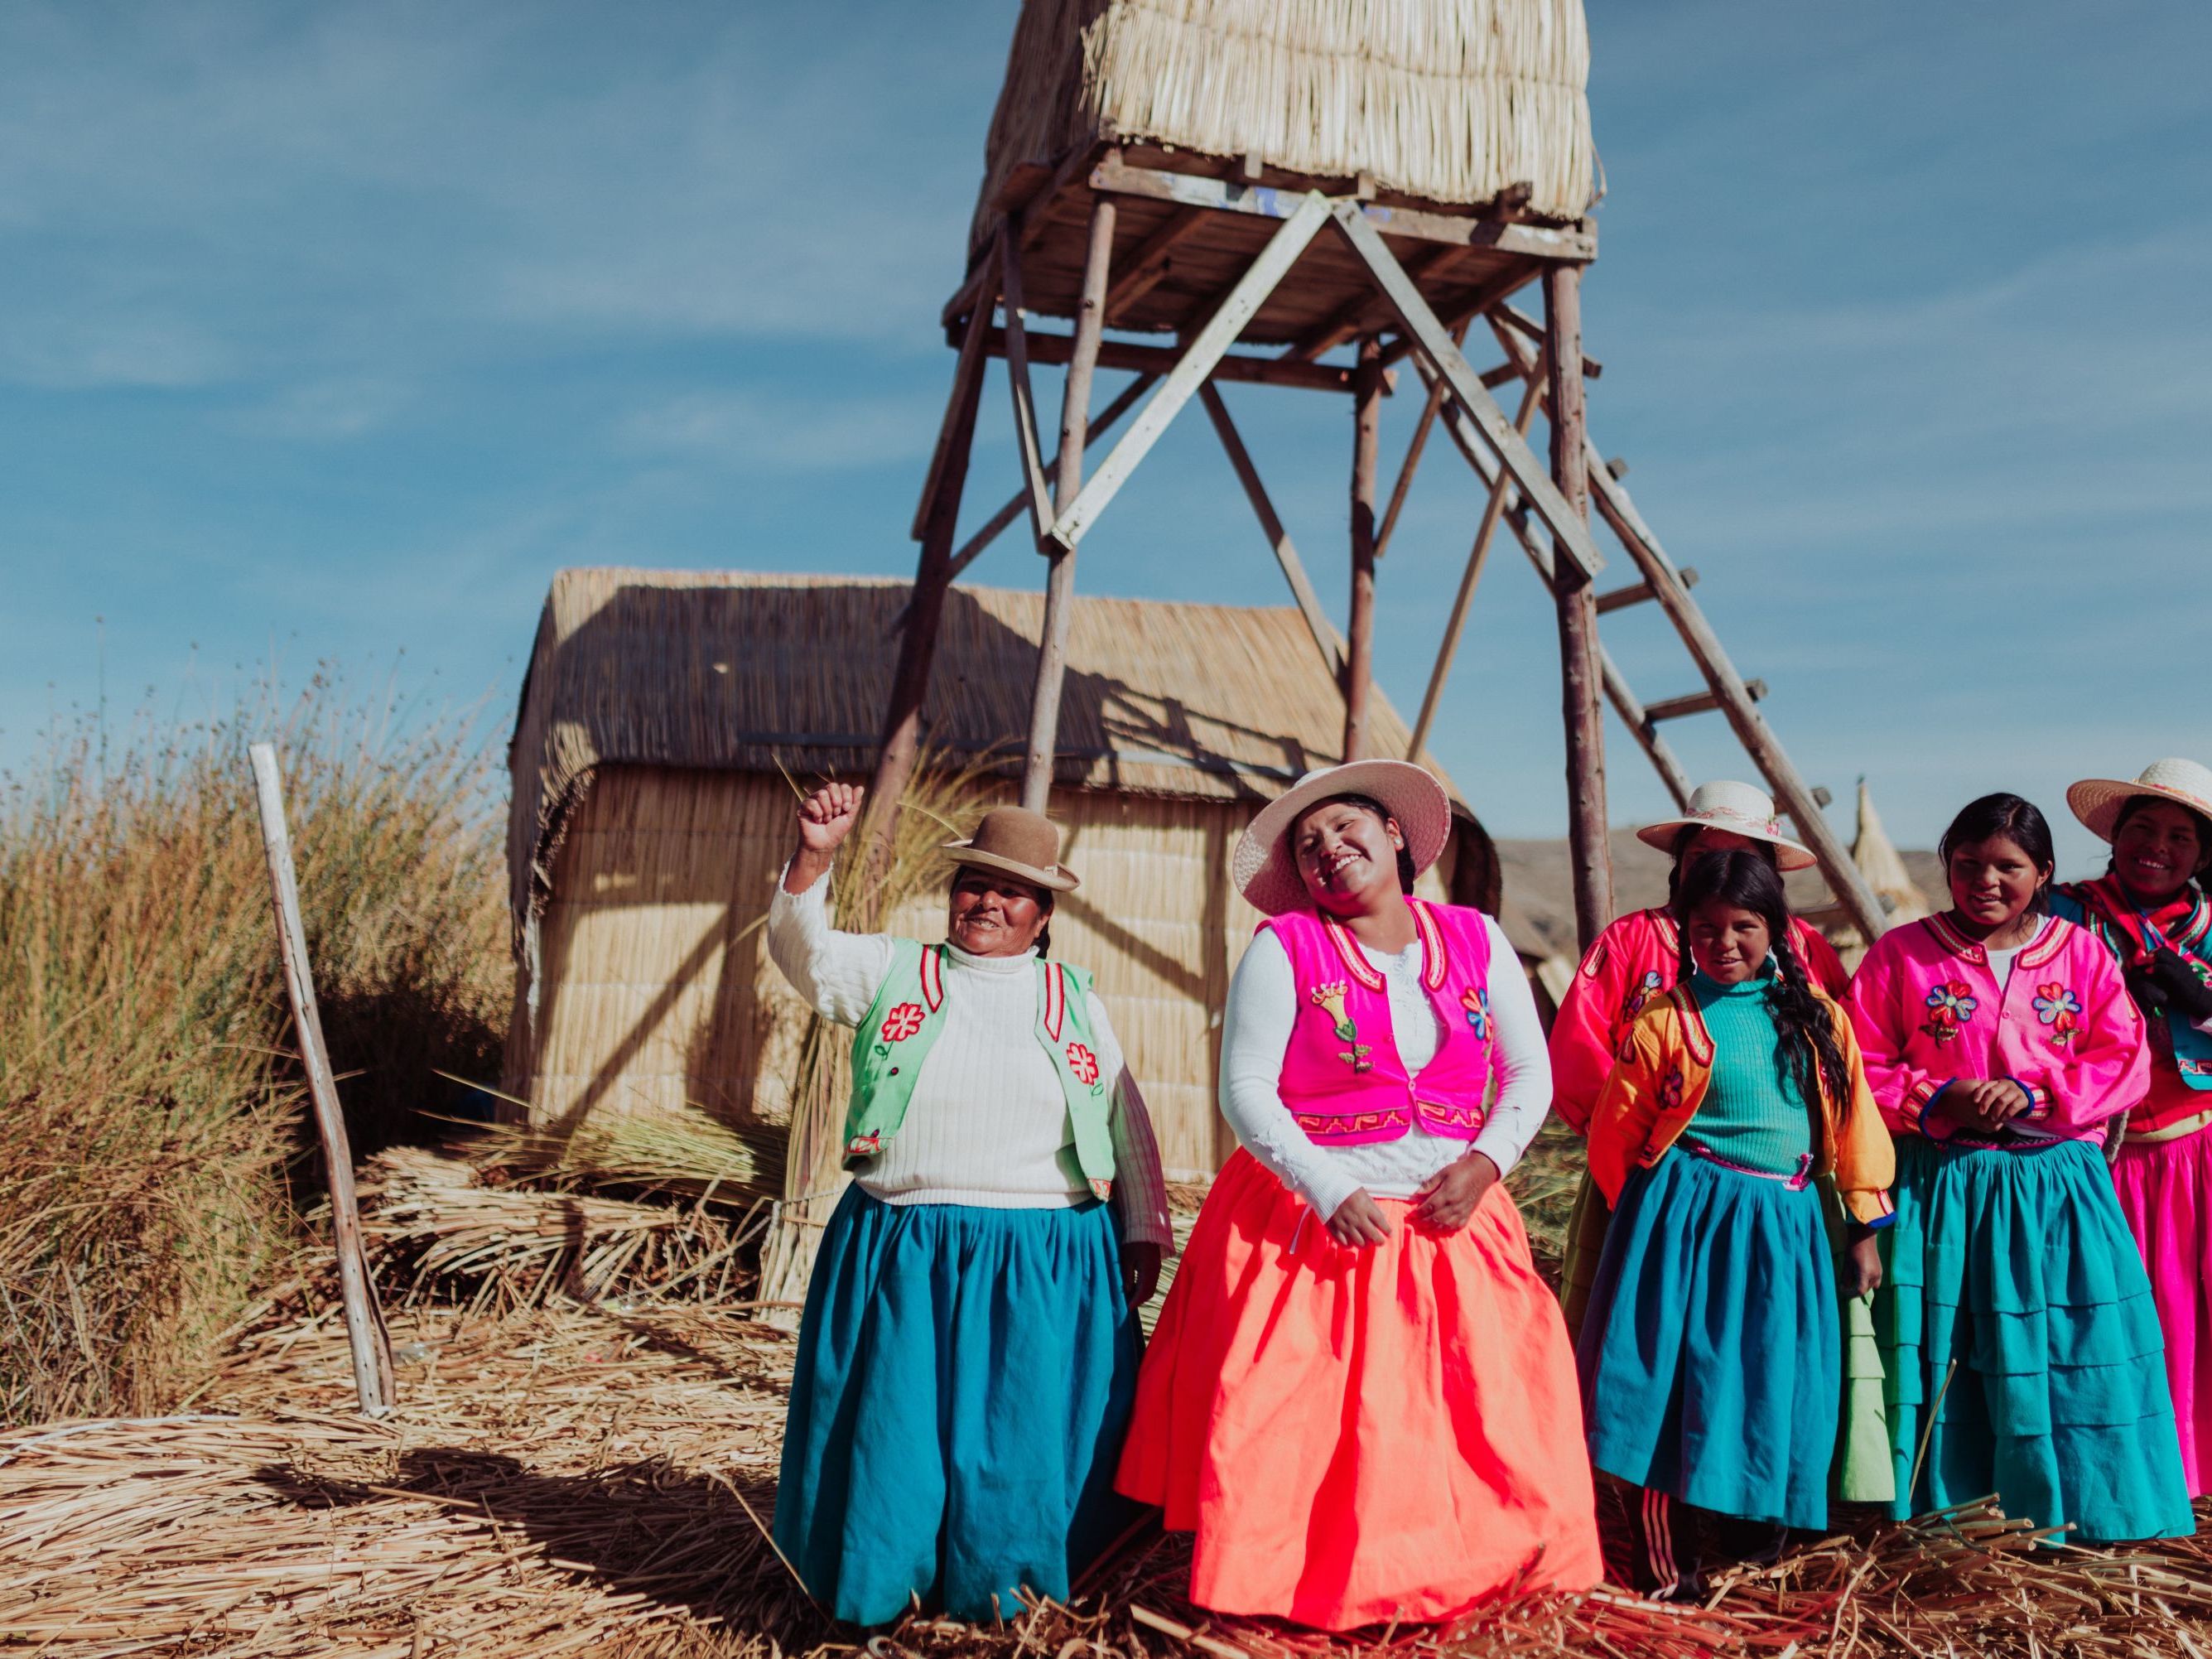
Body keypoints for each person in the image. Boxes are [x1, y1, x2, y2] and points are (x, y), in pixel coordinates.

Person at [1116, 760, 1601, 1630]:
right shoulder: (1285, 948)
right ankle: (1305, 1581)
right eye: (1308, 846)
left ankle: (1467, 1574)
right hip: (1318, 1221)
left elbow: (1527, 1069)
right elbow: (1245, 1089)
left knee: (1471, 1408)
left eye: (1345, 827)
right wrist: (1327, 1184)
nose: (1328, 849)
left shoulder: (1476, 938)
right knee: (1311, 1418)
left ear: (1394, 835)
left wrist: (1486, 1163)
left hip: (1455, 1218)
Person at [767, 784, 1175, 1625]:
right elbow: (800, 951)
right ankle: (888, 1585)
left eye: (1011, 890)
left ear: (1042, 913)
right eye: (973, 883)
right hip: (906, 1244)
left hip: (1045, 1253)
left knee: (1019, 1434)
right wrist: (814, 855)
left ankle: (1011, 1592)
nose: (987, 901)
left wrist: (1141, 1225)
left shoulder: (1074, 997)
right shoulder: (894, 970)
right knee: (899, 1430)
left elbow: (1120, 1111)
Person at [1847, 793, 2190, 1542]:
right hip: (1946, 1186)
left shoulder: (2081, 954)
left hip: (2054, 1191)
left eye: (2007, 866)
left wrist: (2036, 1092)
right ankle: (1956, 1519)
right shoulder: (1900, 954)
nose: (1985, 881)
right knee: (1954, 1350)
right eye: (1967, 864)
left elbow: (2122, 1060)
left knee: (2071, 1345)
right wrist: (1938, 1095)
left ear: (2043, 872)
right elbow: (1857, 1062)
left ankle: (2085, 1512)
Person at [1579, 851, 1893, 1598]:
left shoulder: (1818, 1019)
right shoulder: (1664, 1019)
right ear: (1685, 932)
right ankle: (1670, 1566)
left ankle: (1756, 1552)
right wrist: (1651, 1230)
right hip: (1686, 1226)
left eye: (1743, 926)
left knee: (1773, 1378)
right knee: (1672, 1382)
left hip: (1784, 1227)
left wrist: (1863, 1227)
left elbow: (1855, 1126)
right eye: (1705, 928)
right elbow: (1614, 1135)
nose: (1723, 943)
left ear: (1775, 928)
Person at [1549, 781, 1851, 1344]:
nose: (1718, 869)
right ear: (1679, 863)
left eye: (1739, 856)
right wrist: (1639, 1154)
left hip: (1773, 1195)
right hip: (1639, 1175)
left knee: (1758, 1330)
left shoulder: (1805, 951)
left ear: (1768, 871)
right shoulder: (1632, 940)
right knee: (1641, 1327)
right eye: (1702, 856)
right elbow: (1578, 1050)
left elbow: (1838, 1065)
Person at [2051, 757, 2212, 1495]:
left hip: (2194, 1152)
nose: (2157, 847)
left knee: (2190, 1315)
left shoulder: (2207, 928)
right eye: (2142, 828)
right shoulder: (2060, 916)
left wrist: (2197, 997)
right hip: (2093, 1160)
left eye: (2180, 836)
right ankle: (2118, 1475)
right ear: (2114, 836)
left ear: (2201, 855)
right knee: (2108, 1318)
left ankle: (2190, 1471)